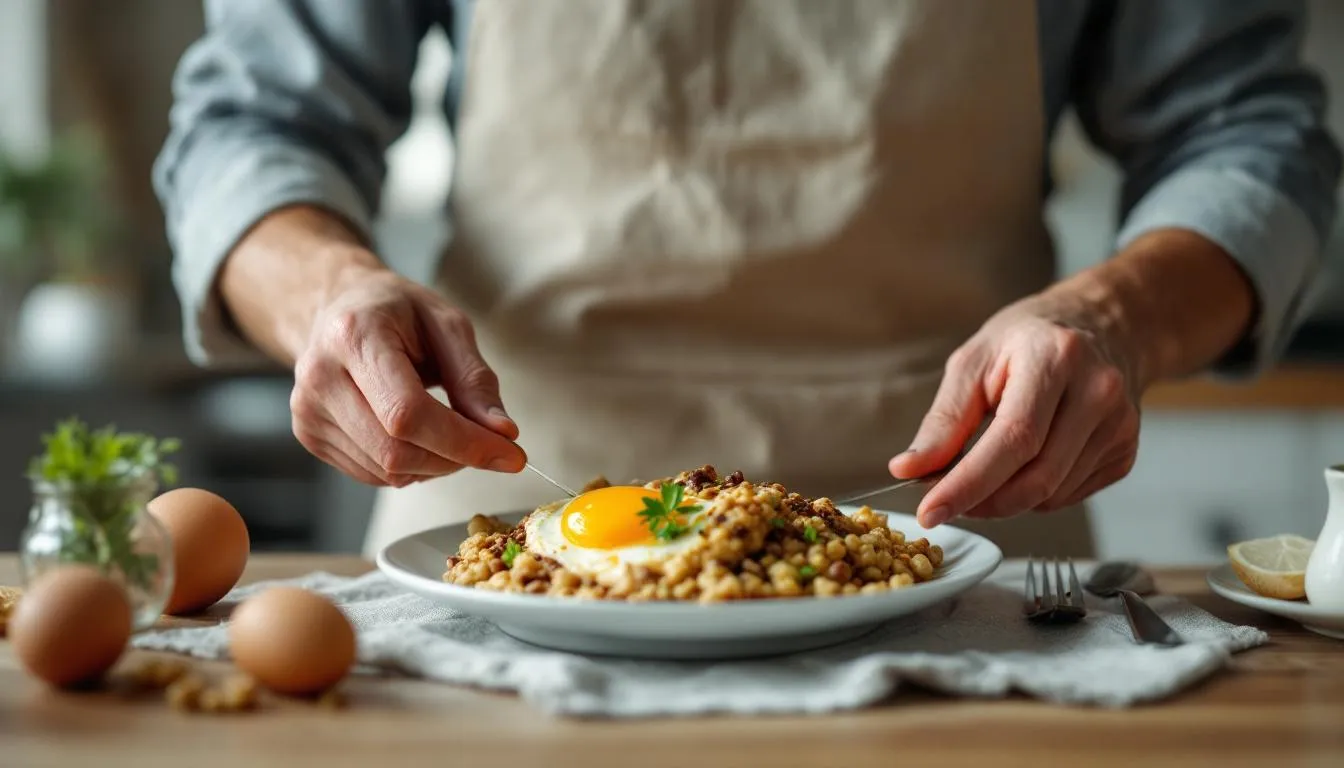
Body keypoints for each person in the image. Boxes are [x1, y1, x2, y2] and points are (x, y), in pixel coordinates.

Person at [155, 0, 1340, 559]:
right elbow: (253, 123)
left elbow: (1248, 133)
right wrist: (329, 294)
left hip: (966, 545)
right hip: (507, 533)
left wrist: (1113, 315)